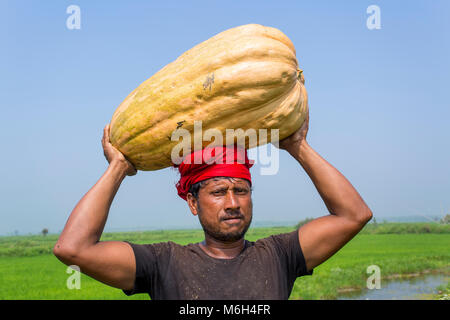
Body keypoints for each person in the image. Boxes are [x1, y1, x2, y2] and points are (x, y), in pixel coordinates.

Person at [53, 112, 373, 299]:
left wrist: (298, 146)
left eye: (242, 190)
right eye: (219, 192)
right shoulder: (163, 263)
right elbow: (73, 249)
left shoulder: (279, 255)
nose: (233, 203)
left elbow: (354, 215)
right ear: (193, 202)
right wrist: (118, 168)